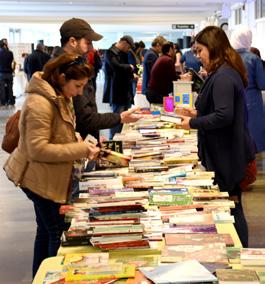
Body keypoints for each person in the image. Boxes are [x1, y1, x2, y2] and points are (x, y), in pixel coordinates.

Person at [3, 53, 100, 278]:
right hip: (38, 179)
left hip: (49, 176)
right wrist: (81, 149)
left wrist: (75, 138)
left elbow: (59, 130)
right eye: (77, 86)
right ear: (62, 77)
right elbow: (37, 148)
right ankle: (53, 278)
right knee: (56, 233)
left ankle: (40, 276)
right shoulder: (39, 102)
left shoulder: (58, 95)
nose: (78, 92)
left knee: (46, 232)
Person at [177, 26, 255, 248]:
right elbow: (220, 110)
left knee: (232, 206)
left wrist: (192, 122)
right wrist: (196, 113)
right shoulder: (224, 72)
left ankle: (239, 255)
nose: (198, 56)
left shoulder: (223, 76)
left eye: (200, 50)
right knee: (232, 205)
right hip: (226, 152)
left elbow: (223, 116)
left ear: (213, 48)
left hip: (227, 156)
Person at [59, 18, 141, 141]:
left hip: (83, 143)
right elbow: (84, 118)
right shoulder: (67, 69)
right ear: (73, 41)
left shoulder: (74, 64)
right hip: (76, 146)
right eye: (88, 42)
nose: (91, 48)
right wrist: (119, 118)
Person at [231, 26, 265, 153]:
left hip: (232, 98)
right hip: (251, 101)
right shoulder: (253, 58)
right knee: (253, 136)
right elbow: (262, 83)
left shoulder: (228, 58)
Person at [103, 35, 135, 138]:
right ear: (124, 43)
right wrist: (129, 67)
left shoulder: (124, 53)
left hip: (126, 91)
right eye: (128, 47)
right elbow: (116, 67)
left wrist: (131, 72)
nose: (128, 50)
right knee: (117, 117)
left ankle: (121, 139)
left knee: (125, 118)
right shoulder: (110, 53)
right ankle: (113, 140)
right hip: (116, 91)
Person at [0, 38, 16, 107]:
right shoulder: (10, 53)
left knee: (2, 89)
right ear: (5, 45)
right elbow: (12, 61)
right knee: (10, 88)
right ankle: (11, 102)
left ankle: (3, 102)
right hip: (9, 73)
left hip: (1, 73)